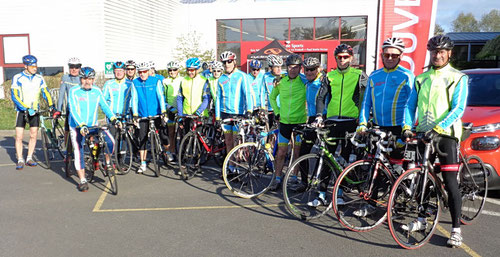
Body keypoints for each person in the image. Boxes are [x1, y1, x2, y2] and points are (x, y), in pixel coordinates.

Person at [402, 35, 468, 248]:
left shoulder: (458, 77)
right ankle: (422, 218)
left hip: (446, 134)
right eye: (434, 52)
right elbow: (410, 106)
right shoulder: (421, 78)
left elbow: (458, 108)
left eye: (441, 52)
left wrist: (438, 128)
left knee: (450, 181)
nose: (437, 55)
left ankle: (456, 229)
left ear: (449, 54)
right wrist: (406, 126)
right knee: (424, 177)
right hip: (424, 134)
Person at [353, 37, 415, 216]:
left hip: (398, 127)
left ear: (400, 56)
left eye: (393, 55)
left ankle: (397, 204)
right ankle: (370, 203)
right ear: (381, 55)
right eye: (386, 54)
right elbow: (366, 103)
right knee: (375, 166)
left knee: (397, 168)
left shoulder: (406, 75)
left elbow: (412, 105)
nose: (389, 58)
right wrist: (363, 123)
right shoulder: (374, 75)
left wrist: (407, 127)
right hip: (378, 127)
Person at [311, 44, 367, 206]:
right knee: (327, 158)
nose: (342, 60)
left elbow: (365, 99)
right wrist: (320, 116)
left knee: (343, 160)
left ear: (351, 58)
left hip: (351, 122)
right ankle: (321, 194)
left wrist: (362, 119)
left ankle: (340, 193)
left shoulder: (359, 75)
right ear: (335, 58)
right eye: (339, 57)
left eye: (345, 57)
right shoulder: (329, 76)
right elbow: (321, 98)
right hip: (332, 122)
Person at [67, 67, 120, 192]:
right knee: (79, 150)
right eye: (85, 79)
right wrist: (81, 125)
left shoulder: (96, 90)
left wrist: (113, 118)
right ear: (80, 79)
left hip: (93, 125)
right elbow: (73, 110)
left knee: (110, 141)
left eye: (90, 79)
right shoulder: (74, 91)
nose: (87, 81)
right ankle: (83, 180)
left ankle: (107, 163)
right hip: (77, 126)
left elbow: (105, 106)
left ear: (93, 79)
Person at [269, 54, 307, 191]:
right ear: (287, 67)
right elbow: (272, 97)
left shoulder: (304, 81)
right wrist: (277, 112)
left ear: (300, 68)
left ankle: (294, 177)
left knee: (297, 152)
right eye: (291, 67)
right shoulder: (281, 81)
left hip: (300, 122)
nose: (293, 70)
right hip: (284, 121)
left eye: (296, 67)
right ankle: (278, 178)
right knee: (281, 152)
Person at [11, 55, 55, 170]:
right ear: (26, 66)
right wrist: (24, 108)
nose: (35, 68)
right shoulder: (17, 77)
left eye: (36, 65)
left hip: (34, 111)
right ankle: (20, 159)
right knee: (19, 136)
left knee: (33, 135)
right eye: (32, 66)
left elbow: (46, 92)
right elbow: (14, 95)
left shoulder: (39, 78)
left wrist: (51, 105)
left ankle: (29, 157)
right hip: (21, 111)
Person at [131, 62, 168, 174]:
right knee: (142, 139)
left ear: (148, 71)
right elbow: (134, 99)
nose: (142, 74)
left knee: (163, 134)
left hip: (156, 113)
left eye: (144, 72)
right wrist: (135, 114)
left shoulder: (155, 81)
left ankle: (167, 152)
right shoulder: (135, 82)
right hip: (143, 115)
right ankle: (143, 163)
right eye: (140, 72)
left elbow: (160, 96)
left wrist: (163, 111)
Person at [216, 51, 254, 155]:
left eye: (229, 61)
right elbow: (218, 99)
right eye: (224, 62)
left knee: (236, 142)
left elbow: (248, 94)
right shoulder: (221, 79)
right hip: (225, 113)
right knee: (228, 142)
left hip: (238, 113)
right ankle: (231, 166)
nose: (227, 64)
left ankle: (236, 164)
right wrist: (218, 116)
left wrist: (249, 110)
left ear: (234, 62)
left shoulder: (242, 76)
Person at [176, 57, 211, 136]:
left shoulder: (204, 80)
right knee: (186, 141)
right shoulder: (183, 81)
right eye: (188, 70)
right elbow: (179, 99)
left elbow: (206, 99)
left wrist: (198, 112)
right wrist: (180, 115)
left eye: (192, 70)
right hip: (186, 115)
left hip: (199, 114)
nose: (189, 72)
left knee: (198, 141)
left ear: (197, 69)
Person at [102, 61, 137, 137]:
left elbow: (135, 100)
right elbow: (103, 102)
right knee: (113, 142)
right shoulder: (108, 84)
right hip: (112, 117)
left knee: (125, 142)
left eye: (121, 70)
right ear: (114, 72)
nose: (119, 73)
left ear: (124, 71)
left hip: (126, 117)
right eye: (116, 70)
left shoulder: (130, 84)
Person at [56, 57, 81, 149]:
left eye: (76, 67)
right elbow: (61, 94)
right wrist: (58, 109)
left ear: (80, 68)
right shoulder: (65, 77)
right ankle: (67, 150)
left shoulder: (82, 78)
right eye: (71, 67)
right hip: (70, 108)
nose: (74, 69)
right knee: (67, 130)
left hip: (81, 109)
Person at [163, 61, 183, 161]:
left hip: (181, 111)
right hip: (170, 110)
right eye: (170, 70)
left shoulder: (182, 80)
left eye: (174, 69)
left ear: (178, 70)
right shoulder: (165, 81)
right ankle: (172, 151)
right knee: (171, 133)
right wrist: (168, 107)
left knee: (181, 132)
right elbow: (163, 97)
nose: (172, 72)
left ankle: (181, 153)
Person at [261, 54, 283, 126]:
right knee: (271, 132)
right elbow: (262, 93)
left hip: (284, 108)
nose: (279, 69)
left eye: (280, 66)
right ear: (270, 67)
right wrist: (262, 108)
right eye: (276, 67)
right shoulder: (265, 76)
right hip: (272, 109)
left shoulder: (285, 76)